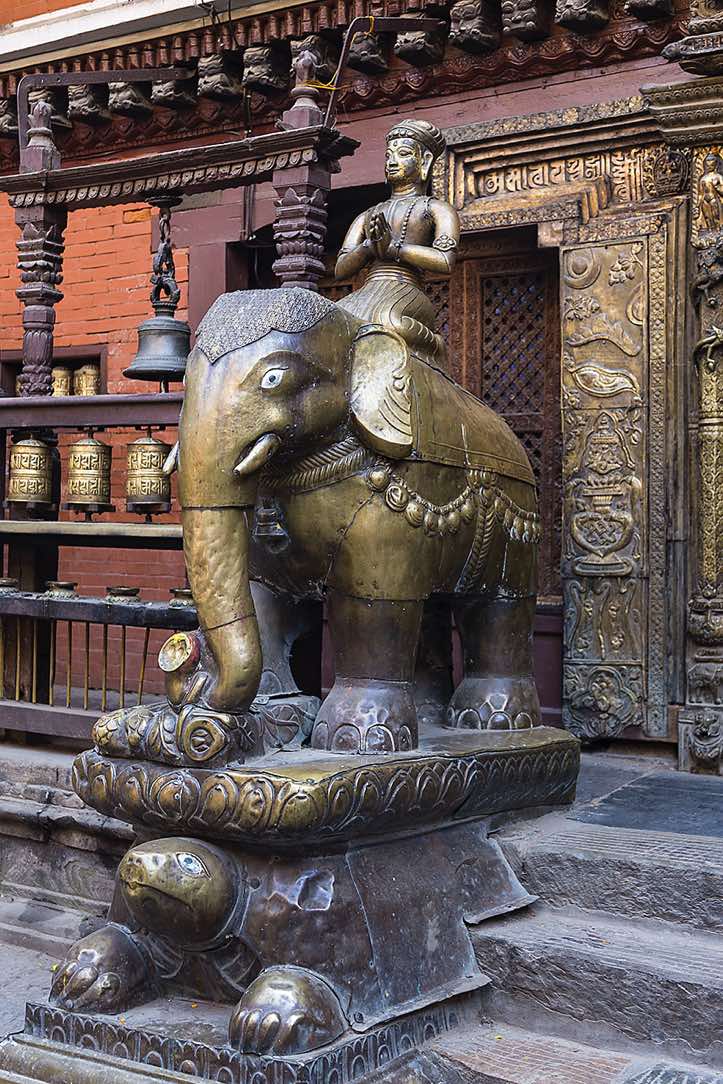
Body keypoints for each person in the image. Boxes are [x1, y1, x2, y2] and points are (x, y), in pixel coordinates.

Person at [335, 118, 460, 370]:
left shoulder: (436, 209)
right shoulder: (368, 215)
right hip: (370, 287)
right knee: (333, 323)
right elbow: (340, 269)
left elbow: (445, 261)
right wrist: (368, 247)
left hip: (406, 289)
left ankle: (434, 346)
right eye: (389, 155)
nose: (392, 161)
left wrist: (394, 249)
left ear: (424, 161)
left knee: (386, 321)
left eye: (403, 154)